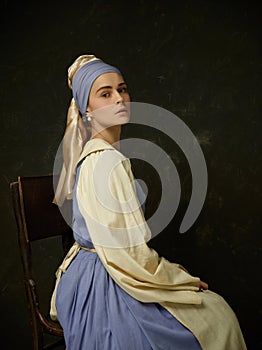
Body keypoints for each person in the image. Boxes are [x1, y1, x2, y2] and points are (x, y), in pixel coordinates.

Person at [50, 54, 247, 350]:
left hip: (105, 267)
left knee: (213, 312)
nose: (119, 98)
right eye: (106, 93)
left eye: (123, 89)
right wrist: (180, 280)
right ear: (86, 108)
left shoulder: (105, 155)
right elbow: (124, 255)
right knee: (217, 318)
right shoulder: (103, 161)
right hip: (102, 281)